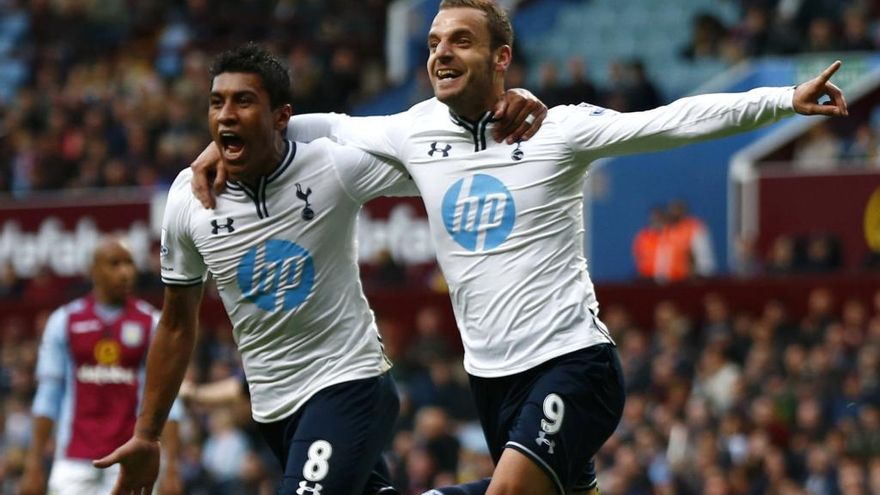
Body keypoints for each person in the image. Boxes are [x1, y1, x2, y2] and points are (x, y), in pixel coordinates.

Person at [192, 2, 848, 494]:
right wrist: (223, 141)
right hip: (491, 382)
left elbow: (669, 122)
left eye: (460, 41)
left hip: (574, 363)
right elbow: (319, 125)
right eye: (433, 43)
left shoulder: (557, 131)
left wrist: (782, 99)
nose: (441, 54)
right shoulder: (414, 129)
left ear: (502, 57)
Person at [94, 43, 541, 495]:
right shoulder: (188, 200)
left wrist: (504, 104)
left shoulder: (332, 166)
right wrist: (147, 435)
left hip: (350, 384)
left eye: (243, 101)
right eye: (217, 102)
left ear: (281, 116)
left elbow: (422, 144)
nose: (226, 115)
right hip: (274, 412)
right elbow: (175, 324)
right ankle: (535, 486)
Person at [19, 237, 183, 495]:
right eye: (114, 264)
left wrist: (172, 466)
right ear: (93, 270)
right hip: (74, 459)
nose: (125, 272)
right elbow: (48, 396)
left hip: (131, 457)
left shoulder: (151, 323)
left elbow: (167, 398)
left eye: (129, 263)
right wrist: (34, 464)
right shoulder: (65, 321)